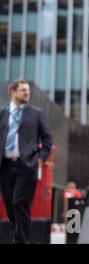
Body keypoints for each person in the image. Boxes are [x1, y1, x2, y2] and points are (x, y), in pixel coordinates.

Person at [0, 79, 53, 244]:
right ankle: (19, 238)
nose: (27, 93)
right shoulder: (2, 113)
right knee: (9, 205)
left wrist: (41, 158)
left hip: (27, 166)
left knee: (19, 203)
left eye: (28, 90)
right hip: (5, 166)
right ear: (13, 92)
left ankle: (21, 241)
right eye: (23, 90)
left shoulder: (36, 113)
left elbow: (47, 138)